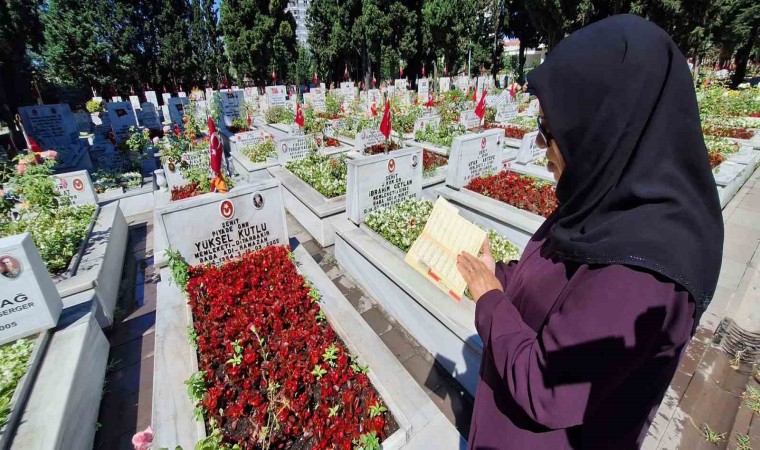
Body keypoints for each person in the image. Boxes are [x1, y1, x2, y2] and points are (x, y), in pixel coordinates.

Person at [457, 15, 723, 449]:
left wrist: (489, 300)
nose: (540, 145)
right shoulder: (601, 200)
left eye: (549, 130)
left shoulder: (648, 273)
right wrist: (499, 275)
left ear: (602, 126)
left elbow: (547, 385)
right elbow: (549, 281)